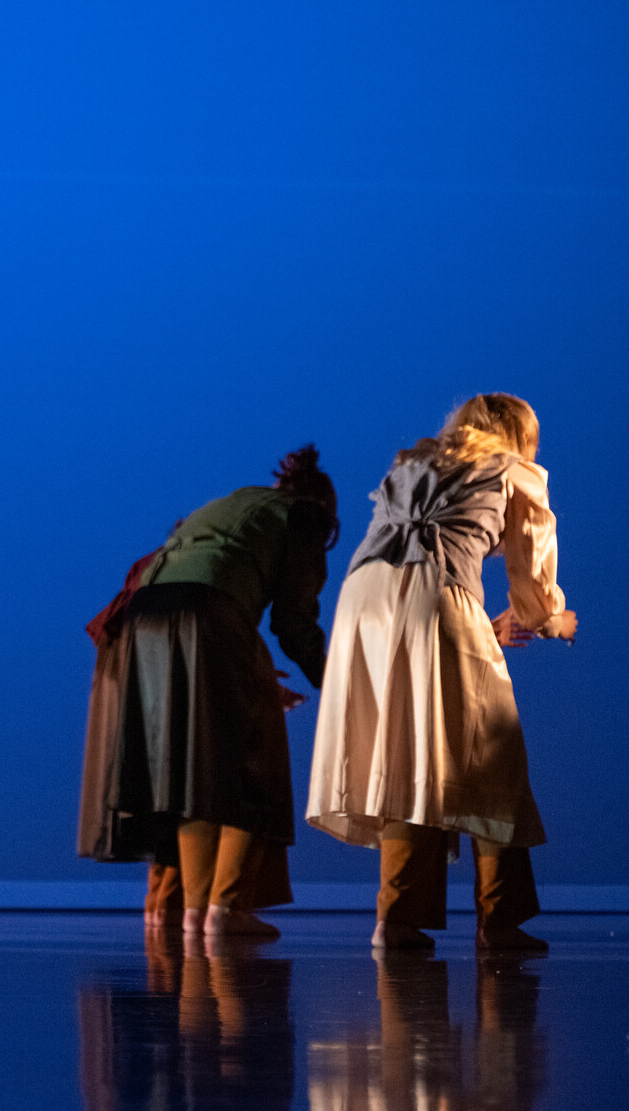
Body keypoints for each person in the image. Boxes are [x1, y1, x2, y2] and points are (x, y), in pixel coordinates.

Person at [306, 394, 575, 952]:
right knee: (488, 749)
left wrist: (472, 616)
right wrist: (553, 620)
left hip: (364, 598)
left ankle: (398, 919)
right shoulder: (512, 470)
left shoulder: (413, 463)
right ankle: (500, 919)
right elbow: (531, 572)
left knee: (408, 750)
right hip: (435, 594)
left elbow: (419, 554)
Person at [78, 445, 339, 940]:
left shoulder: (233, 504)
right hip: (207, 612)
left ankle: (193, 910)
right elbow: (292, 624)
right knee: (254, 759)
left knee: (187, 768)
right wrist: (337, 685)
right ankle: (226, 907)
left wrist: (247, 672)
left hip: (143, 620)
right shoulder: (302, 518)